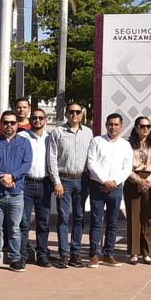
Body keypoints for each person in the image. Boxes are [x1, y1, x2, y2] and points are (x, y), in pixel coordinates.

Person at [48, 101, 93, 268]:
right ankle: (64, 254)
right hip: (64, 180)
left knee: (79, 217)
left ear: (82, 115)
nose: (74, 115)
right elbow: (52, 158)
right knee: (63, 217)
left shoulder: (88, 133)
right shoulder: (57, 132)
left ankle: (76, 253)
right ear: (66, 114)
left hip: (82, 180)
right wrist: (56, 182)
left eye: (77, 112)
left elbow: (91, 158)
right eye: (71, 112)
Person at [0, 110, 32, 271]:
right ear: (1, 124)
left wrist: (12, 176)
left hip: (16, 193)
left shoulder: (24, 143)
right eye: (5, 122)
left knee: (15, 228)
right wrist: (1, 176)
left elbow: (26, 164)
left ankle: (15, 259)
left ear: (17, 125)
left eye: (12, 123)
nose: (9, 125)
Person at [86, 113, 133, 267]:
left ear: (121, 126)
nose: (113, 127)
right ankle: (94, 254)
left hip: (116, 187)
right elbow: (91, 163)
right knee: (96, 221)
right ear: (106, 125)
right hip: (98, 186)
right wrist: (104, 181)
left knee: (112, 222)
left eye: (116, 124)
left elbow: (127, 168)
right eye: (110, 124)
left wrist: (114, 181)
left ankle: (109, 254)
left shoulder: (125, 145)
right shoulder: (97, 141)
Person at [19, 107, 60, 266]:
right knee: (23, 222)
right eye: (34, 118)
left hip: (44, 183)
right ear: (30, 120)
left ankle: (42, 254)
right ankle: (23, 254)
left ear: (45, 120)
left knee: (43, 222)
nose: (37, 120)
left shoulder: (50, 138)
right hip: (26, 183)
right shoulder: (22, 137)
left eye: (40, 118)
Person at [124, 115, 151, 264]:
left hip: (150, 181)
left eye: (148, 126)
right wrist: (138, 180)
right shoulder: (128, 145)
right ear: (136, 128)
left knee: (148, 217)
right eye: (142, 126)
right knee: (134, 217)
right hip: (133, 180)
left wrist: (149, 180)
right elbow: (124, 165)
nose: (145, 129)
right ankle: (134, 252)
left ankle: (147, 252)